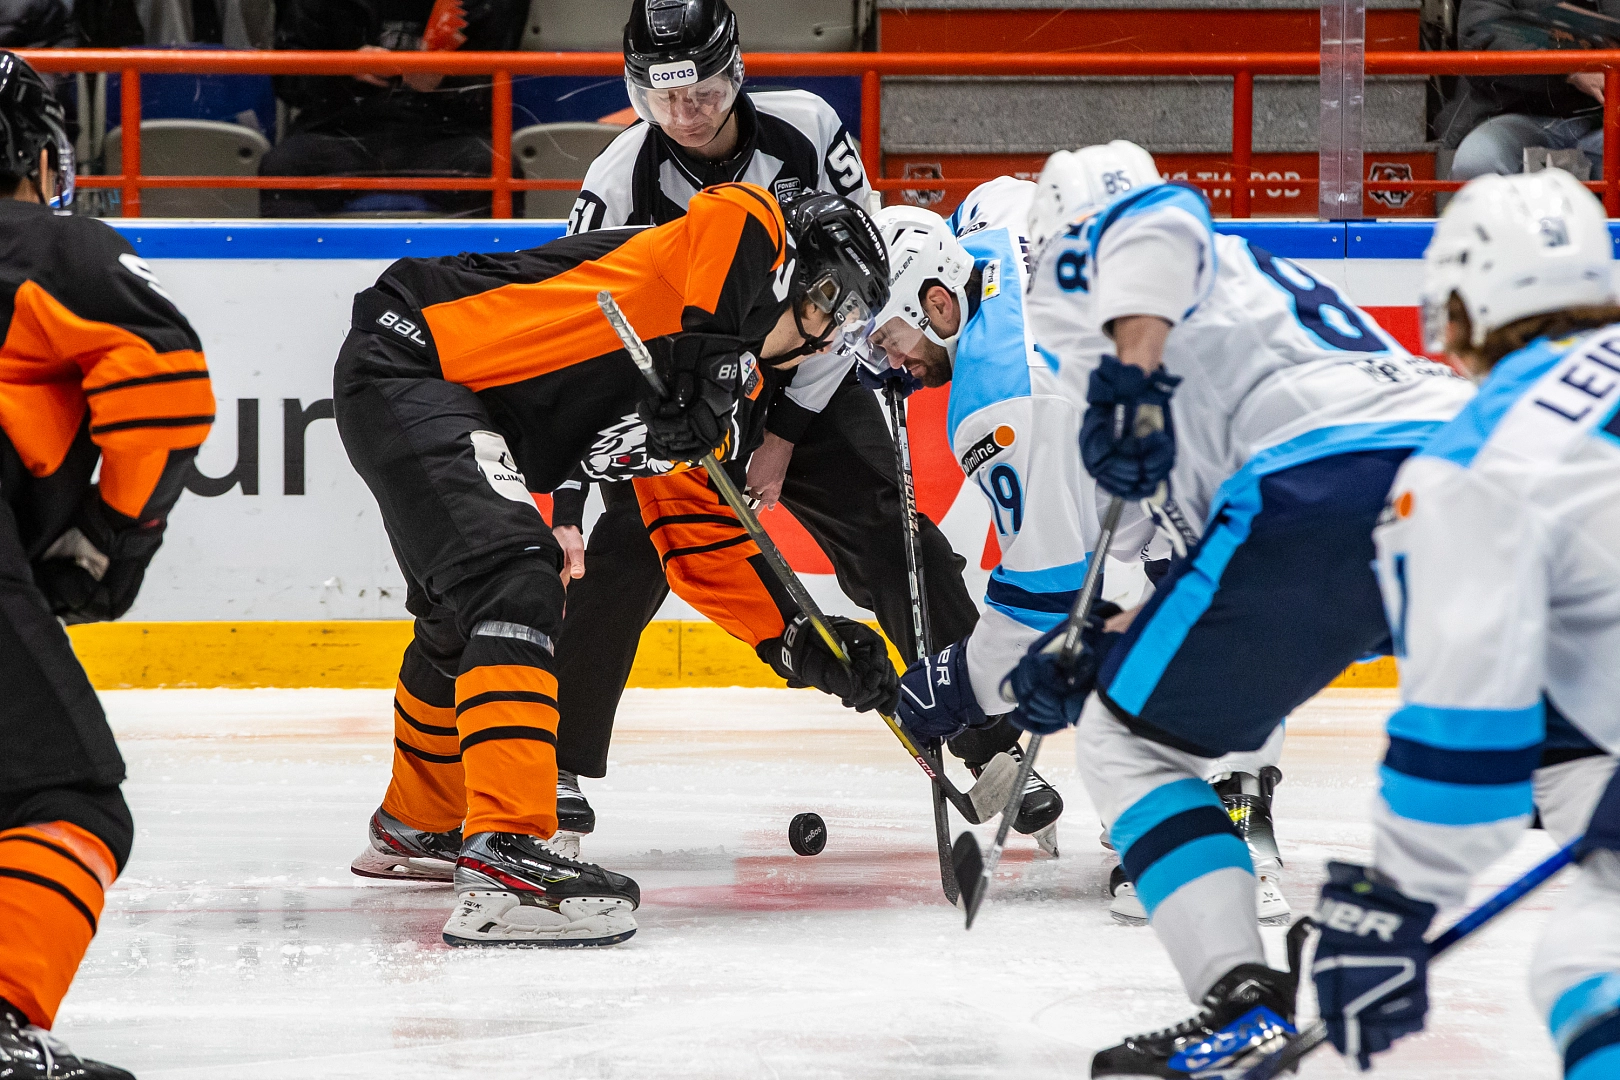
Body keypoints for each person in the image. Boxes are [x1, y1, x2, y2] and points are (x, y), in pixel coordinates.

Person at [1003, 140, 1475, 1078]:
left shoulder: (1138, 249)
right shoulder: (1228, 322)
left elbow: (1158, 212)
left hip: (1326, 479)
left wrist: (1131, 382)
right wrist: (1097, 648)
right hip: (1457, 463)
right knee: (1556, 744)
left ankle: (1239, 1002)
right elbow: (1208, 580)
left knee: (1125, 745)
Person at [547, 0, 1059, 858]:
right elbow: (585, 337)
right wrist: (578, 485)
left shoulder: (810, 131)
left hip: (808, 369)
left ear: (735, 73)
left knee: (895, 540)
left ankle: (990, 742)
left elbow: (864, 282)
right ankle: (554, 764)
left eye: (704, 91)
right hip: (688, 395)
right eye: (664, 97)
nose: (687, 113)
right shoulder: (617, 179)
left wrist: (783, 431)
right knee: (626, 554)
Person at [336, 181, 897, 947]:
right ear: (811, 281)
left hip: (445, 392)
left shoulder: (723, 396)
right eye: (843, 309)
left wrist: (799, 636)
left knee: (461, 613)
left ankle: (417, 821)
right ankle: (506, 856)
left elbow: (697, 540)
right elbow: (736, 212)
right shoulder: (730, 247)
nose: (834, 339)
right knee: (515, 578)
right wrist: (708, 358)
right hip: (413, 353)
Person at [1309, 167, 1620, 1079]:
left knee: (1590, 962)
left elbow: (1467, 748)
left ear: (1461, 308)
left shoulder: (1477, 465)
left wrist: (1393, 906)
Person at [0, 51, 213, 1079]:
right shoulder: (49, 246)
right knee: (69, 801)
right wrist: (104, 547)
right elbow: (165, 395)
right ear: (38, 157)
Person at [260, 0, 528, 218]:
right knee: (283, 167)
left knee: (495, 168)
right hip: (337, 129)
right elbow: (288, 83)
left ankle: (487, 269)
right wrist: (343, 69)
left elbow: (497, 91)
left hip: (446, 135)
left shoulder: (487, 4)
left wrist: (445, 82)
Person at [1439, 0, 1618, 181]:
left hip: (1603, 120)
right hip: (1513, 112)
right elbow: (1480, 38)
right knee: (1474, 164)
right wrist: (1568, 68)